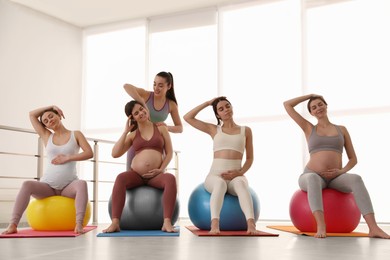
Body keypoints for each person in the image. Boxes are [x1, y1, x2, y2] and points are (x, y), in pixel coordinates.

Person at [283, 94, 390, 239]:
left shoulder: (342, 130)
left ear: (326, 106)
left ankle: (373, 228)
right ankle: (321, 226)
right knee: (313, 179)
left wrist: (341, 171)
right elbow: (287, 105)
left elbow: (353, 159)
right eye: (313, 107)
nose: (318, 108)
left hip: (335, 178)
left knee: (356, 179)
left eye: (320, 104)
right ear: (311, 113)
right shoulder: (309, 128)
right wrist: (310, 96)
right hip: (311, 175)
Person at [2, 105, 93, 235]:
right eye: (45, 121)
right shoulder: (46, 136)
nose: (49, 120)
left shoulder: (76, 134)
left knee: (82, 184)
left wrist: (68, 157)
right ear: (46, 126)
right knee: (27, 184)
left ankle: (78, 224)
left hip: (68, 186)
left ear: (59, 115)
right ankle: (13, 224)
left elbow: (89, 153)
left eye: (51, 116)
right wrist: (51, 106)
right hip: (48, 186)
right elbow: (31, 114)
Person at [184, 96, 260, 235]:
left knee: (241, 185)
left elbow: (249, 158)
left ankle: (251, 225)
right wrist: (208, 103)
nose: (226, 110)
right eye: (221, 109)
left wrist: (239, 172)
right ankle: (215, 225)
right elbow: (188, 117)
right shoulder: (214, 130)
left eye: (228, 106)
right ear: (217, 114)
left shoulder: (246, 130)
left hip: (236, 176)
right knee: (219, 184)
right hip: (214, 176)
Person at [103, 100, 177, 233]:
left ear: (146, 109)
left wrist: (161, 169)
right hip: (136, 175)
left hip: (156, 175)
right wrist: (125, 131)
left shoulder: (161, 128)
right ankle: (115, 223)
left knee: (170, 179)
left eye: (142, 109)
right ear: (133, 118)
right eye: (136, 113)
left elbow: (170, 152)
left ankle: (166, 222)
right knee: (120, 178)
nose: (141, 113)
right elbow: (115, 153)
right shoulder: (132, 135)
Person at [123, 71, 183, 170]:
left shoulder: (171, 105)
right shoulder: (146, 95)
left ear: (169, 86)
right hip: (138, 141)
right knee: (130, 172)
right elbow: (126, 86)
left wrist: (166, 127)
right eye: (154, 84)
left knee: (158, 173)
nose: (156, 88)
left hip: (157, 143)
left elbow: (180, 128)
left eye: (160, 85)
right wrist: (143, 103)